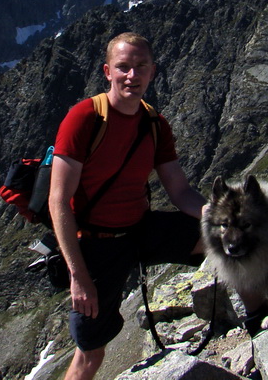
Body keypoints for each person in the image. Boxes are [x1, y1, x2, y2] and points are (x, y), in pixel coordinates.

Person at [49, 32, 206, 380]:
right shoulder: (84, 119)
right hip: (95, 246)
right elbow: (58, 202)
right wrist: (79, 277)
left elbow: (180, 191)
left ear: (153, 71)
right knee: (90, 353)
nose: (131, 76)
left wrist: (219, 217)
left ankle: (260, 323)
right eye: (123, 67)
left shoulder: (154, 124)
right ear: (107, 71)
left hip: (138, 229)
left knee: (223, 239)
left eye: (140, 67)